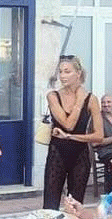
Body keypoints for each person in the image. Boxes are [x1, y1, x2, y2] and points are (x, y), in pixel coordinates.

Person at [43, 55, 103, 209]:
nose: (62, 76)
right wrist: (79, 100)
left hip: (80, 156)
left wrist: (70, 137)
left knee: (75, 207)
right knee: (50, 205)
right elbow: (68, 124)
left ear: (78, 73)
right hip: (57, 154)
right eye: (60, 71)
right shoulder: (53, 96)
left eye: (67, 71)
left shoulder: (91, 99)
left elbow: (99, 136)